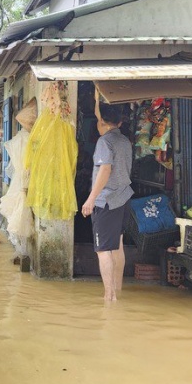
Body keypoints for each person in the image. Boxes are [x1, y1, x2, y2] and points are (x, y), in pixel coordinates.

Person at [81, 103, 133, 301]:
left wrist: (91, 199)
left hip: (107, 201)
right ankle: (117, 289)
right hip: (123, 198)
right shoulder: (125, 141)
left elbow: (105, 170)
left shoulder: (105, 142)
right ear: (120, 122)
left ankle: (109, 296)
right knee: (117, 245)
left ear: (100, 122)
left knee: (103, 249)